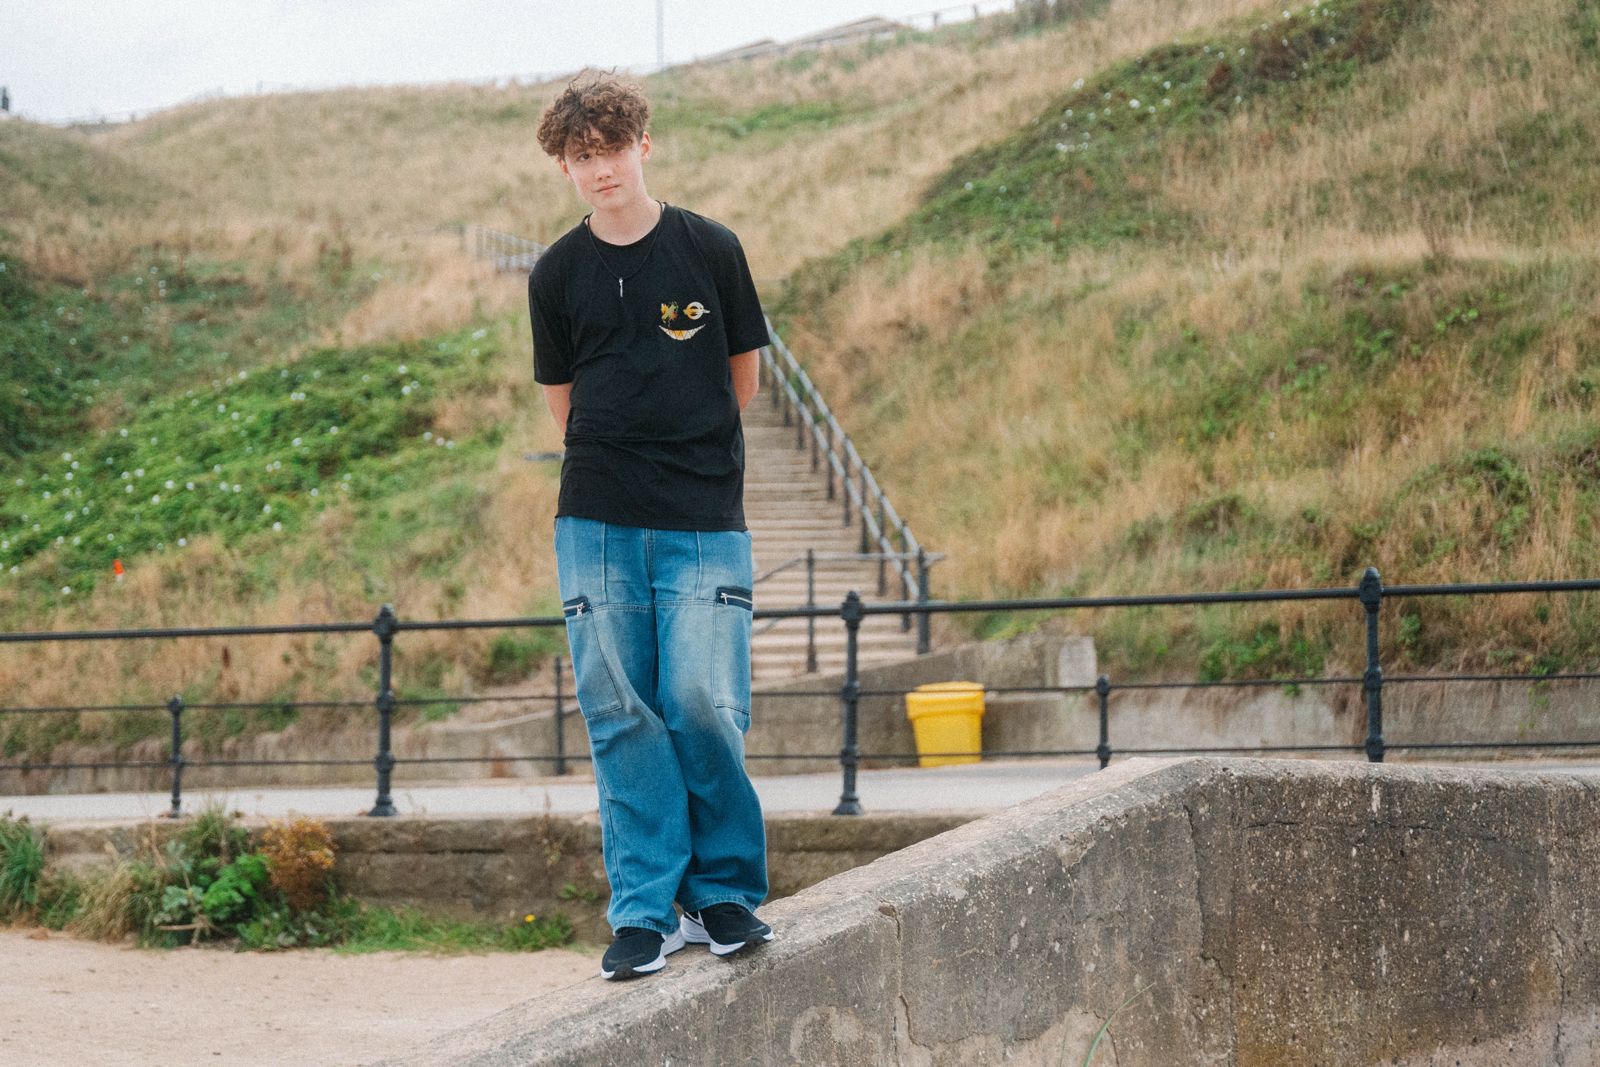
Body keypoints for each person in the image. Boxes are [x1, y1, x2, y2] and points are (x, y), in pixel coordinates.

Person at [528, 71, 775, 982]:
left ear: (644, 146)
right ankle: (643, 910)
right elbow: (565, 401)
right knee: (620, 708)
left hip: (703, 514)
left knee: (703, 698)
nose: (600, 170)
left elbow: (743, 377)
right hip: (595, 517)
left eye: (611, 151)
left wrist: (685, 450)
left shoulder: (711, 249)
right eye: (580, 157)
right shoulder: (556, 274)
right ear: (565, 167)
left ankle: (722, 894)